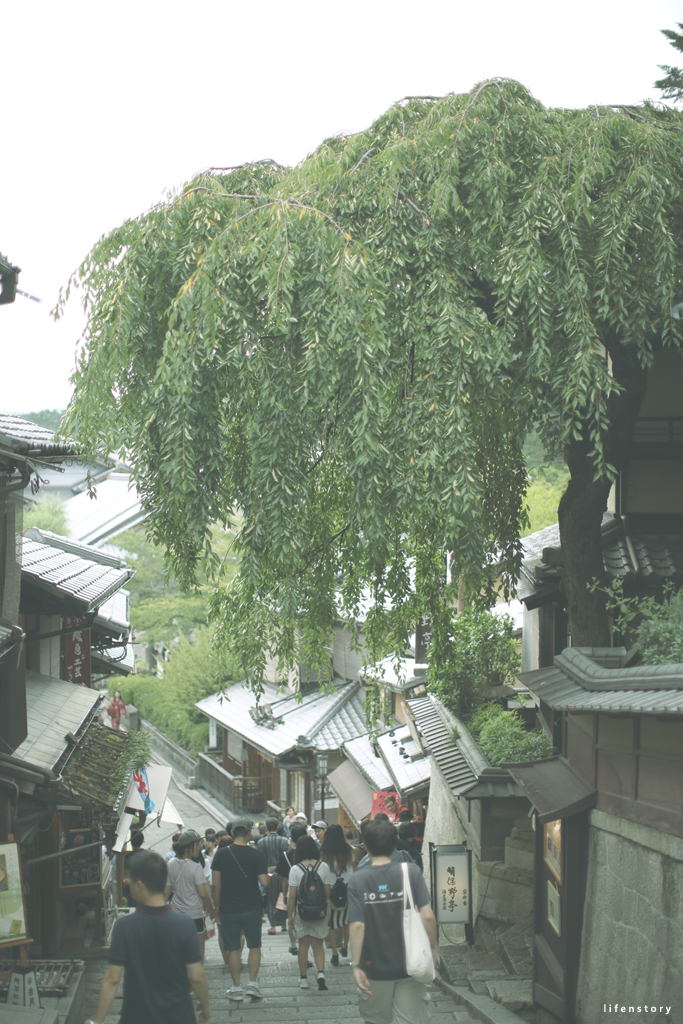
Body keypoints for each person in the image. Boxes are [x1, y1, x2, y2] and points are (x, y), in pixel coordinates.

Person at [87, 849, 210, 1024]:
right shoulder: (184, 925)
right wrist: (205, 1006)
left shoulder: (125, 927)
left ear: (139, 885)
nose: (127, 884)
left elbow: (112, 979)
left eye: (129, 881)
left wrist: (97, 1021)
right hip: (179, 1016)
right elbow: (196, 976)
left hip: (137, 1017)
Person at [348, 819, 437, 1024]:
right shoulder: (411, 871)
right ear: (394, 844)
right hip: (409, 963)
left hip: (373, 965)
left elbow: (357, 925)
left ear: (366, 846)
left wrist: (356, 965)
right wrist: (434, 947)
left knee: (375, 1019)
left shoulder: (358, 879)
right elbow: (427, 915)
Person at [211, 816, 270, 1003]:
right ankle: (252, 984)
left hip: (228, 907)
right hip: (252, 907)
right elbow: (264, 882)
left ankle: (236, 988)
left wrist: (216, 907)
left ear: (232, 833)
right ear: (249, 833)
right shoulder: (257, 855)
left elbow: (215, 885)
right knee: (254, 945)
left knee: (233, 948)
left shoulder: (221, 854)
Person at [165, 830, 217, 962]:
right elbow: (203, 894)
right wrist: (212, 909)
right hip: (195, 915)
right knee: (198, 954)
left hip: (176, 914)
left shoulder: (171, 863)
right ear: (188, 848)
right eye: (197, 845)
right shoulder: (195, 867)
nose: (199, 848)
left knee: (179, 952)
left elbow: (166, 892)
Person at [287, 834, 331, 991]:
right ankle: (321, 973)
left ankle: (304, 978)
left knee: (303, 945)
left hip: (302, 912)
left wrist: (290, 916)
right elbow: (327, 892)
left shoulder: (295, 869)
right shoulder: (323, 867)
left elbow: (292, 895)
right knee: (318, 944)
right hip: (319, 912)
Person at [320, 823, 355, 965]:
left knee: (332, 923)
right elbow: (353, 868)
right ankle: (345, 946)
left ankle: (334, 953)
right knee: (346, 921)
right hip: (347, 887)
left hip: (331, 888)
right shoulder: (349, 851)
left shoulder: (323, 852)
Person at [276, 822, 308, 953]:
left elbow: (284, 878)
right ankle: (307, 945)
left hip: (293, 889)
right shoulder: (312, 855)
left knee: (292, 918)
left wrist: (284, 894)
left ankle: (294, 945)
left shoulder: (287, 856)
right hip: (310, 889)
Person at [257, 817, 290, 934]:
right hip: (282, 872)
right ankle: (283, 923)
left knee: (270, 899)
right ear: (277, 827)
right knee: (282, 896)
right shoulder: (284, 841)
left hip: (268, 872)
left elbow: (259, 859)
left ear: (266, 827)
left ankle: (273, 926)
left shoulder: (261, 842)